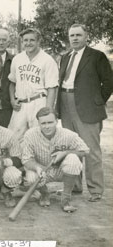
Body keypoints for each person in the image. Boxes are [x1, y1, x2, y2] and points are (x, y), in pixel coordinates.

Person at [56, 24, 113, 201]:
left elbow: (108, 82)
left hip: (88, 107)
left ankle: (95, 190)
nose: (75, 38)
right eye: (72, 35)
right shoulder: (65, 57)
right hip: (66, 103)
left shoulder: (97, 56)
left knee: (91, 150)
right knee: (72, 148)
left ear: (86, 36)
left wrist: (98, 101)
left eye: (78, 35)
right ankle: (74, 187)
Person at [22, 107, 89, 212]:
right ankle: (44, 193)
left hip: (61, 170)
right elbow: (26, 159)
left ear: (57, 121)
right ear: (38, 123)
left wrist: (65, 152)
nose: (47, 126)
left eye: (50, 122)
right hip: (42, 170)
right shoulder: (30, 135)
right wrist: (37, 167)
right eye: (43, 123)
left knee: (73, 159)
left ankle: (65, 199)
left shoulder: (67, 134)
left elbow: (85, 151)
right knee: (30, 177)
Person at [8, 28, 59, 140]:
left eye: (32, 40)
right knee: (15, 137)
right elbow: (12, 82)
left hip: (38, 101)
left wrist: (48, 110)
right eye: (25, 40)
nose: (28, 43)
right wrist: (12, 100)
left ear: (38, 41)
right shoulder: (17, 58)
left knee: (39, 136)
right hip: (21, 103)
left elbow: (52, 88)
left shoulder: (47, 60)